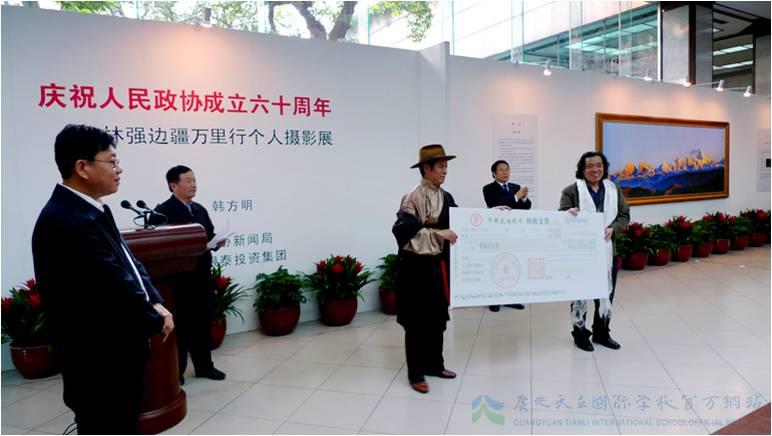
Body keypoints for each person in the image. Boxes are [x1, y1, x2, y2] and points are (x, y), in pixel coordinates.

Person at [32, 124, 174, 434]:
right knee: (106, 423)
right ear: (82, 167)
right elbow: (111, 285)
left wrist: (154, 300)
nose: (119, 169)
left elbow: (129, 264)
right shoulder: (66, 220)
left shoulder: (89, 210)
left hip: (114, 352)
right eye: (111, 161)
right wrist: (153, 317)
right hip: (98, 359)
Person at [392, 144, 459, 394]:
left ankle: (435, 365)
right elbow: (403, 232)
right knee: (416, 323)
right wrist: (439, 234)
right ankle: (416, 373)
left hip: (437, 269)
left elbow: (463, 221)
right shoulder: (412, 197)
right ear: (426, 168)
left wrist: (492, 215)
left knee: (437, 319)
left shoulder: (446, 197)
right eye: (441, 166)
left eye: (446, 166)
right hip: (415, 270)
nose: (445, 171)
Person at [152, 166, 225, 384]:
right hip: (176, 281)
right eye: (188, 180)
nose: (194, 184)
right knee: (180, 327)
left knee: (202, 323)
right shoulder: (162, 212)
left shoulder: (199, 209)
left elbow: (208, 236)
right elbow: (158, 246)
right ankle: (177, 371)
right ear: (173, 185)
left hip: (201, 276)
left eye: (195, 180)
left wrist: (217, 242)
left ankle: (205, 366)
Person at [559, 151, 629, 352]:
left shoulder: (614, 189)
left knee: (606, 293)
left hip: (607, 252)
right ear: (582, 169)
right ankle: (580, 334)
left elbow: (624, 215)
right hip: (580, 253)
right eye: (590, 166)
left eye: (599, 165)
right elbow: (561, 217)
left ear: (604, 168)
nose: (595, 169)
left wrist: (613, 229)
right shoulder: (571, 191)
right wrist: (568, 215)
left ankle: (601, 332)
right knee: (579, 293)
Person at [482, 159, 531, 312]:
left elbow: (526, 207)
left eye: (507, 170)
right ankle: (494, 299)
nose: (505, 173)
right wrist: (516, 197)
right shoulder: (488, 188)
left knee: (513, 264)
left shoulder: (515, 187)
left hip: (514, 233)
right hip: (496, 233)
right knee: (496, 265)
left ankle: (510, 297)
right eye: (501, 170)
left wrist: (524, 198)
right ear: (493, 173)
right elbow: (495, 204)